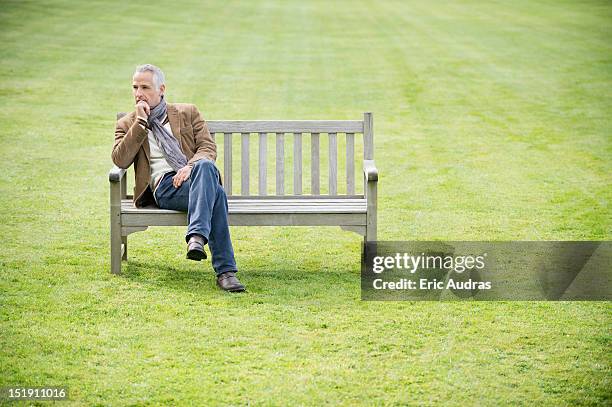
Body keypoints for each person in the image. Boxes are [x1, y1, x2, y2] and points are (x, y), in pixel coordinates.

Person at [112, 64, 245, 292]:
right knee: (216, 193)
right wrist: (141, 123)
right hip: (165, 188)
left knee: (205, 167)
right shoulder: (128, 123)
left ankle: (197, 238)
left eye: (145, 87)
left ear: (161, 89)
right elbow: (120, 160)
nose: (138, 93)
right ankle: (225, 272)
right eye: (135, 87)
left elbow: (207, 148)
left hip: (195, 179)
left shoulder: (187, 112)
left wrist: (190, 166)